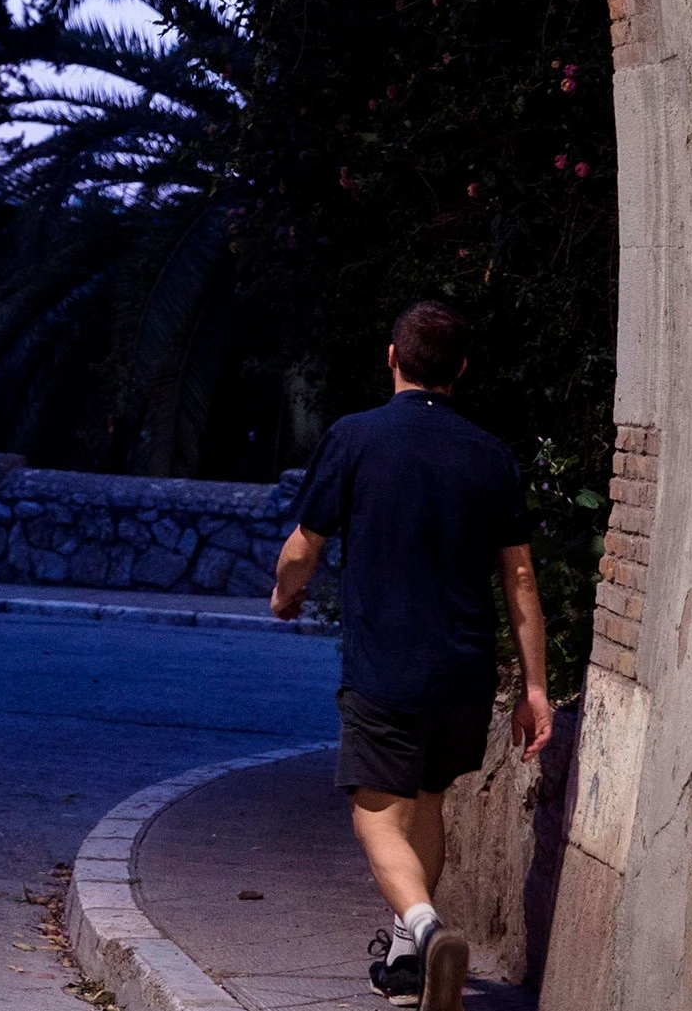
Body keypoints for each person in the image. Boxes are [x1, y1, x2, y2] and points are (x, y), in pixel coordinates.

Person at [269, 300, 553, 1011]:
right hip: (462, 668)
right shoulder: (491, 456)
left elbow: (303, 546)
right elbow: (518, 576)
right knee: (425, 800)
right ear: (459, 369)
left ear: (391, 357)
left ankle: (425, 930)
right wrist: (536, 688)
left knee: (374, 813)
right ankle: (404, 962)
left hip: (384, 667)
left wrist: (284, 595)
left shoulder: (355, 437)